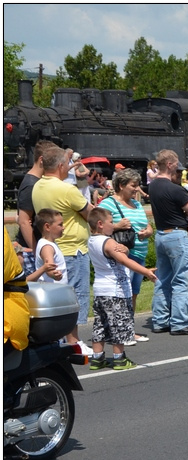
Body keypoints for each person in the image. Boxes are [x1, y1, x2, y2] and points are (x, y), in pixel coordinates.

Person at [32, 145, 98, 352]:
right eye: (67, 164)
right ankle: (74, 340)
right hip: (73, 247)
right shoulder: (66, 189)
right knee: (76, 296)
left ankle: (63, 339)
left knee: (59, 296)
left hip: (54, 246)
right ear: (61, 166)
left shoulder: (38, 186)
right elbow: (91, 214)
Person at [86, 208, 157, 371]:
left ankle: (97, 358)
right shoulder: (108, 242)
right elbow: (124, 261)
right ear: (100, 224)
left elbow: (118, 251)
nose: (113, 225)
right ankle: (119, 358)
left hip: (100, 290)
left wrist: (124, 248)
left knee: (100, 324)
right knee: (119, 323)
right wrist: (145, 271)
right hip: (115, 289)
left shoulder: (92, 241)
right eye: (110, 222)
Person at [149, 149, 188, 335]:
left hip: (161, 235)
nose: (179, 171)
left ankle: (160, 320)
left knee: (163, 279)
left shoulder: (153, 186)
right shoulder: (174, 189)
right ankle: (180, 322)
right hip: (177, 236)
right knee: (182, 280)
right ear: (170, 164)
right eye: (177, 166)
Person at [99, 168, 154, 345]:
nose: (137, 189)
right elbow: (96, 226)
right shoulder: (108, 204)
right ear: (121, 185)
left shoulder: (137, 204)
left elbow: (147, 225)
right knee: (122, 294)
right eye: (133, 185)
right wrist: (117, 226)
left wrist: (148, 232)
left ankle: (127, 328)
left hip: (139, 254)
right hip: (122, 256)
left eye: (138, 185)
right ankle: (120, 331)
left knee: (133, 294)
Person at [16, 140, 58, 275]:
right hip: (30, 250)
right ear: (41, 160)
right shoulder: (30, 185)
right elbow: (24, 221)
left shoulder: (37, 182)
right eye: (52, 160)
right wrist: (36, 251)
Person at [27, 209, 65, 283]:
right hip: (52, 291)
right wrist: (54, 275)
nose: (63, 227)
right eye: (60, 225)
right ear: (47, 227)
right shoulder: (47, 247)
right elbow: (49, 268)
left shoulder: (48, 243)